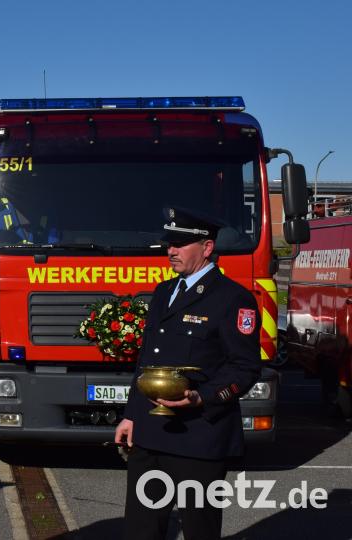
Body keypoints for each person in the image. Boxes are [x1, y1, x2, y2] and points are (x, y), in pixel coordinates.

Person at [114, 207, 262, 540]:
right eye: (170, 244)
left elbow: (245, 367)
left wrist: (203, 397)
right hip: (151, 434)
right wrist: (132, 416)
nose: (171, 251)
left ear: (207, 248)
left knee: (199, 530)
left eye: (180, 244)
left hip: (199, 437)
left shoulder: (232, 299)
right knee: (141, 529)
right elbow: (148, 360)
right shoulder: (164, 292)